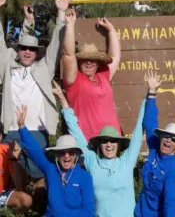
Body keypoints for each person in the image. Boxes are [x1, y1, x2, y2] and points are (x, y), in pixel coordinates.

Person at [0, 0, 70, 182]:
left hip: (37, 130)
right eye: (24, 48)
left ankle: (41, 207)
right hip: (11, 129)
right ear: (18, 51)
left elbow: (55, 45)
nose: (28, 52)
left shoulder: (43, 68)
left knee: (40, 174)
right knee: (10, 175)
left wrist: (61, 14)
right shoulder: (8, 66)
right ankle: (17, 208)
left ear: (37, 52)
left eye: (32, 49)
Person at [52, 80, 145, 217]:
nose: (109, 144)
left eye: (113, 141)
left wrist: (149, 95)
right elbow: (76, 133)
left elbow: (138, 132)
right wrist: (63, 100)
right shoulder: (92, 161)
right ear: (99, 145)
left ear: (118, 145)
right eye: (104, 141)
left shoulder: (126, 161)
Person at [17, 105, 95, 216]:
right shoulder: (51, 169)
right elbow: (36, 152)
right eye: (62, 152)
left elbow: (88, 212)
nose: (67, 156)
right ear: (57, 155)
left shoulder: (85, 177)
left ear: (76, 155)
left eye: (71, 152)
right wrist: (22, 128)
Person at [135, 71, 175, 217]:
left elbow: (171, 203)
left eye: (174, 139)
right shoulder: (154, 146)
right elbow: (150, 122)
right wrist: (152, 92)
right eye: (166, 136)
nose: (168, 140)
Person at [62, 8, 122, 140]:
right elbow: (68, 55)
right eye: (84, 60)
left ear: (98, 63)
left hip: (111, 140)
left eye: (92, 60)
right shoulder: (74, 80)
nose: (89, 63)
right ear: (79, 62)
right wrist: (70, 25)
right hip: (87, 141)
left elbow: (115, 56)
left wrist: (111, 30)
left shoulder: (104, 75)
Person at [0, 132, 32, 213]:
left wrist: (14, 159)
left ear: (0, 137)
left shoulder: (6, 151)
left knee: (25, 200)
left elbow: (21, 186)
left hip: (1, 195)